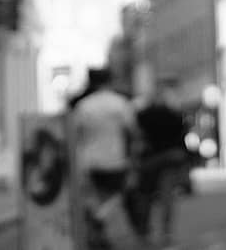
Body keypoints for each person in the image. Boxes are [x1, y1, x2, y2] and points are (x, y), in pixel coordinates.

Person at [68, 69, 136, 250]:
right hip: (115, 158)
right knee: (116, 195)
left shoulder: (84, 105)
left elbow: (74, 134)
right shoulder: (120, 103)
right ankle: (99, 220)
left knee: (96, 198)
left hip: (89, 160)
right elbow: (131, 131)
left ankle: (99, 233)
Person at [133, 82, 187, 247]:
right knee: (167, 197)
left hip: (149, 160)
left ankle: (145, 233)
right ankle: (166, 233)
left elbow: (137, 136)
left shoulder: (143, 115)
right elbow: (182, 138)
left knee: (145, 197)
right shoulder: (174, 115)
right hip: (170, 158)